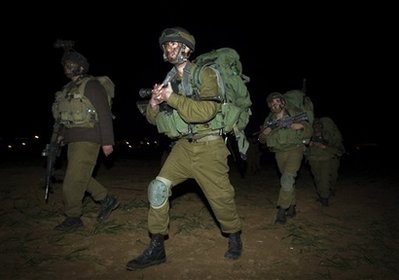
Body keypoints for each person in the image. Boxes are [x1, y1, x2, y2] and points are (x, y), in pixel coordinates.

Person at [126, 27, 242, 270]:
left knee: (221, 200)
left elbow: (206, 112)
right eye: (166, 46)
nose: (169, 49)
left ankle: (233, 234)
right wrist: (156, 103)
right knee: (157, 188)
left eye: (174, 45)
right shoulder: (170, 80)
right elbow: (152, 119)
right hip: (181, 148)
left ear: (186, 49)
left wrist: (172, 99)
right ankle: (157, 247)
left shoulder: (206, 74)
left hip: (210, 146)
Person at [51, 42, 119, 231]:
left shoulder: (92, 85)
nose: (68, 67)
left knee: (72, 180)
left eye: (71, 64)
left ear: (81, 67)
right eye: (66, 64)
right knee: (79, 175)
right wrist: (60, 136)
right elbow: (63, 118)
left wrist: (107, 142)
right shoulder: (67, 89)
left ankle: (73, 218)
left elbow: (104, 113)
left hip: (90, 138)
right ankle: (107, 199)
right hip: (72, 140)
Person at [258, 91, 313, 224]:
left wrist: (298, 126)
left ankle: (282, 210)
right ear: (269, 106)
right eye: (272, 102)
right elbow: (261, 139)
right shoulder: (269, 119)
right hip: (279, 152)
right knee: (286, 181)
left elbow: (308, 128)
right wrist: (265, 133)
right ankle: (292, 206)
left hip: (295, 149)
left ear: (283, 102)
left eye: (277, 101)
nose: (275, 104)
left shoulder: (294, 112)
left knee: (288, 177)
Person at [305, 117, 345, 206]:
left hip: (325, 158)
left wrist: (324, 147)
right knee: (317, 178)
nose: (317, 128)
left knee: (324, 178)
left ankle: (325, 198)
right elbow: (303, 142)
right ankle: (322, 195)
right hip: (313, 159)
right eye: (315, 126)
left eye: (318, 126)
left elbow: (335, 147)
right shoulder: (310, 134)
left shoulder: (328, 134)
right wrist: (309, 143)